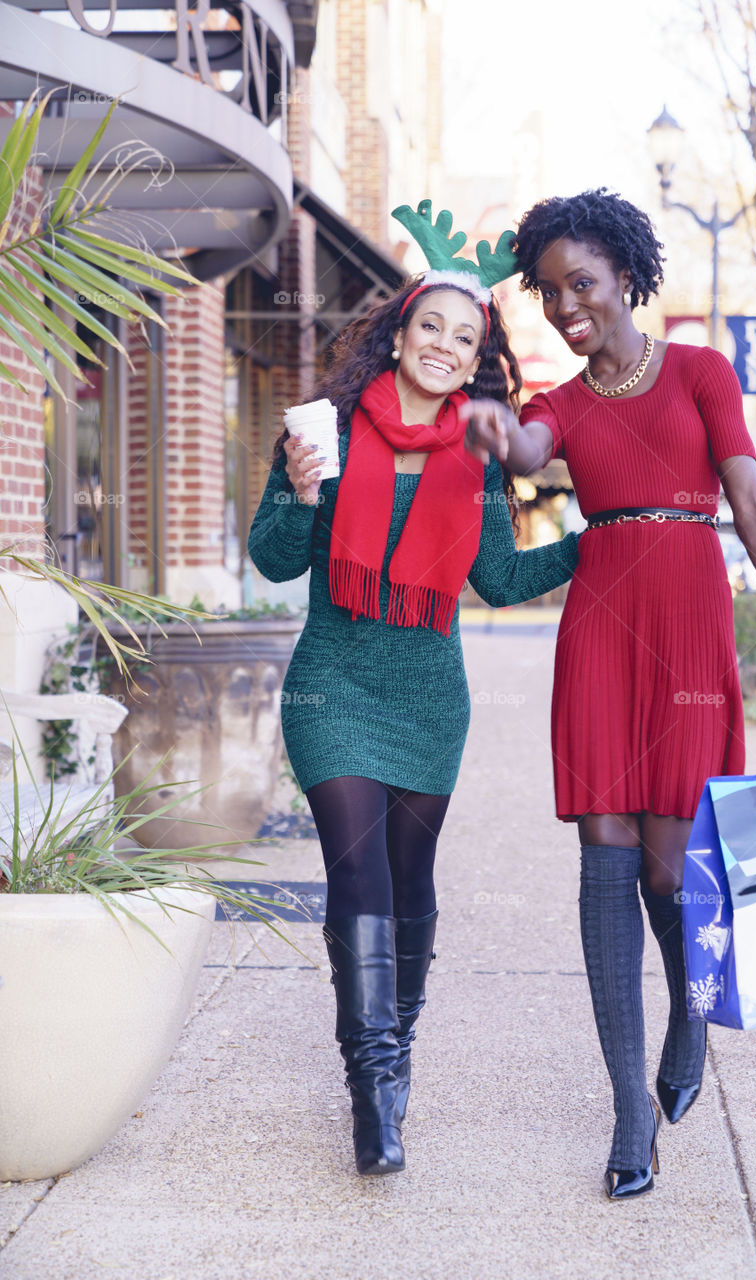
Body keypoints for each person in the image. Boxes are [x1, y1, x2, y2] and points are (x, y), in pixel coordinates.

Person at [462, 188, 756, 1200]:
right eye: (548, 291)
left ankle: (690, 1010)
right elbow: (529, 451)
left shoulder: (698, 371)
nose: (565, 305)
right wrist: (489, 420)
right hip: (599, 631)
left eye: (579, 282)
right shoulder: (557, 398)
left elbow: (753, 500)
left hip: (686, 628)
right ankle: (629, 1109)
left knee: (674, 868)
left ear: (625, 274)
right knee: (604, 849)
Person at [248, 268, 580, 1177]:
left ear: (477, 362)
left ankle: (395, 1049)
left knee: (407, 880)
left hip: (429, 693)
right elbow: (274, 560)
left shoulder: (475, 458)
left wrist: (608, 536)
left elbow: (500, 582)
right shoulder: (326, 433)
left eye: (462, 338)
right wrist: (293, 486)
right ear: (397, 337)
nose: (441, 344)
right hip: (333, 686)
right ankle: (373, 1090)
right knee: (355, 878)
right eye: (427, 327)